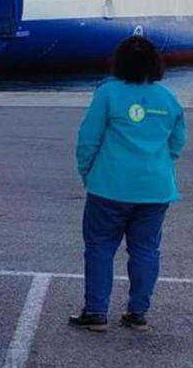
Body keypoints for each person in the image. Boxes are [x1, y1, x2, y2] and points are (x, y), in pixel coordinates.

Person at [69, 35, 186, 332]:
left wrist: (89, 175)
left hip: (109, 186)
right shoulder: (168, 98)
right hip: (156, 188)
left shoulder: (107, 94)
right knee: (146, 249)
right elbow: (176, 143)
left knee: (100, 247)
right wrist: (157, 165)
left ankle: (96, 312)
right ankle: (137, 313)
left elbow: (87, 141)